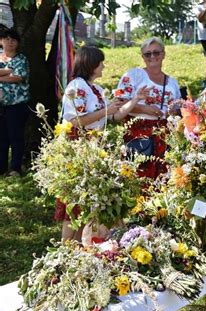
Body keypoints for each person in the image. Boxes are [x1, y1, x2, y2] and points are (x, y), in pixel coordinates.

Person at [57, 46, 149, 241]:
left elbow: (114, 116)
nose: (103, 66)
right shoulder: (77, 86)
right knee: (76, 200)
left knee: (92, 199)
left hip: (95, 145)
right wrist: (105, 111)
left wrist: (135, 100)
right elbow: (75, 121)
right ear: (91, 64)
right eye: (101, 62)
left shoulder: (96, 89)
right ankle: (67, 247)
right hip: (79, 145)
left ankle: (86, 245)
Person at [116, 37, 181, 179]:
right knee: (138, 174)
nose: (152, 56)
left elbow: (176, 110)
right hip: (138, 132)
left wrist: (174, 112)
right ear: (142, 57)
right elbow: (119, 102)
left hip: (164, 134)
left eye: (156, 52)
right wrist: (145, 109)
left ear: (163, 54)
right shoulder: (133, 75)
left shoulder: (172, 82)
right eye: (148, 54)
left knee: (163, 176)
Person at [0, 29, 30, 177]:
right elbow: (12, 74)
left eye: (13, 40)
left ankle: (15, 169)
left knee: (16, 137)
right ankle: (1, 168)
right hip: (1, 106)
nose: (9, 42)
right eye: (6, 39)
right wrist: (9, 71)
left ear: (17, 43)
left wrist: (6, 73)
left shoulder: (22, 59)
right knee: (1, 138)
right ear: (1, 41)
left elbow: (18, 77)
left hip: (16, 105)